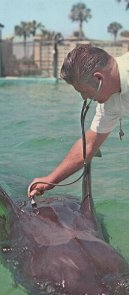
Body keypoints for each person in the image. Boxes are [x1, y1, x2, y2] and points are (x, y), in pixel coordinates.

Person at [28, 44, 129, 198]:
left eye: (83, 91)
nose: (84, 98)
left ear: (98, 78)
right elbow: (89, 144)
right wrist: (51, 180)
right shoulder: (109, 97)